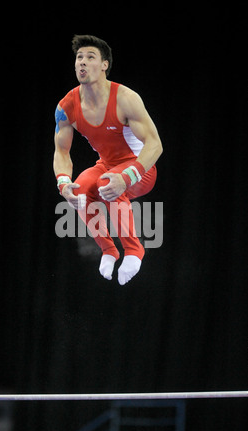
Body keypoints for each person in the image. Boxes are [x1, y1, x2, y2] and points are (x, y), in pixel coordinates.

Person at [53, 35, 163, 285]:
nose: (82, 62)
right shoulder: (66, 106)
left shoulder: (125, 98)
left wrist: (128, 177)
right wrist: (63, 183)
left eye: (90, 57)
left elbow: (155, 145)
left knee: (107, 183)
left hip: (140, 167)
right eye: (79, 57)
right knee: (79, 189)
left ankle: (134, 251)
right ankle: (109, 250)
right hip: (108, 165)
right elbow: (61, 151)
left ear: (104, 65)